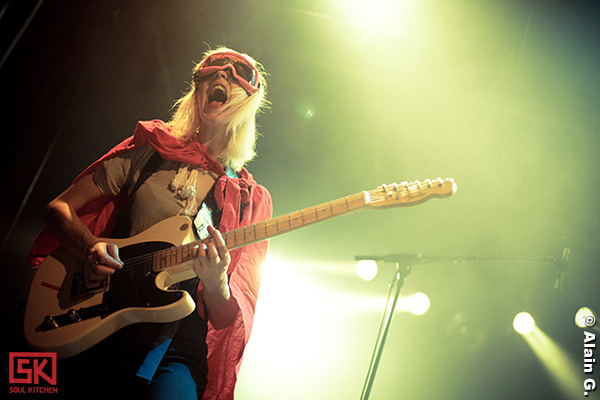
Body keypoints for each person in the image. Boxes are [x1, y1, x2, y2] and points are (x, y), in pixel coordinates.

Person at [26, 47, 272, 400]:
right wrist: (89, 248)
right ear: (197, 90)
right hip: (100, 317)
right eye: (212, 72)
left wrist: (216, 281)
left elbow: (224, 319)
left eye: (235, 76)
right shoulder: (151, 149)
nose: (221, 77)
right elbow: (58, 209)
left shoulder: (250, 198)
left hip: (176, 343)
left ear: (248, 101)